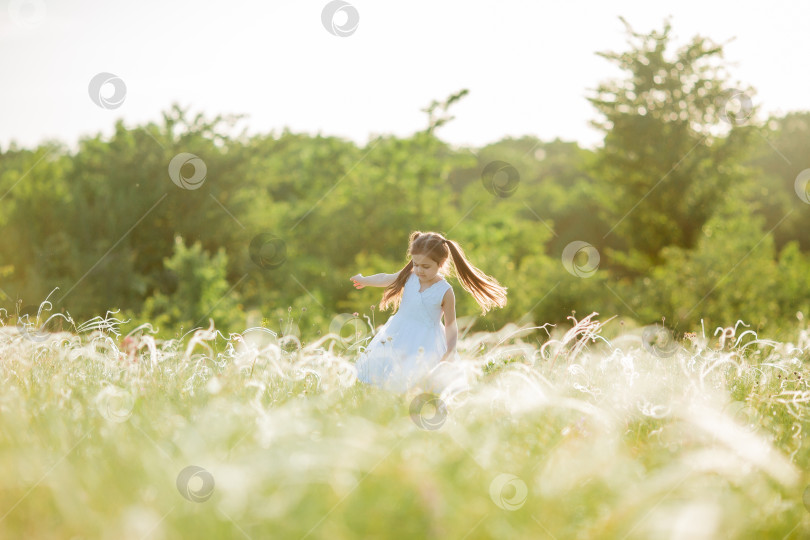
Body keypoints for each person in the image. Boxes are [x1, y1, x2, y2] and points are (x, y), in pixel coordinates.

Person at [350, 230, 508, 393]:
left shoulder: (445, 291)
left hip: (426, 341)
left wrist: (451, 349)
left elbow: (451, 324)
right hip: (398, 332)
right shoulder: (409, 276)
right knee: (388, 375)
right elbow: (385, 278)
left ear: (441, 264)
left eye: (426, 266)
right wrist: (365, 280)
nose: (419, 270)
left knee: (418, 382)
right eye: (416, 264)